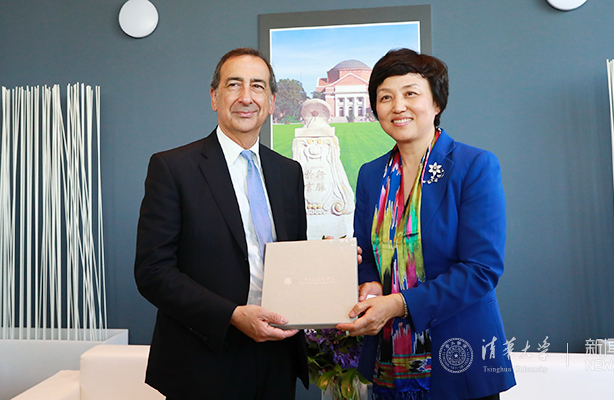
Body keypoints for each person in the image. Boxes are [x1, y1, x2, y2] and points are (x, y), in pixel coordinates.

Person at [337, 49, 516, 400]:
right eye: (385, 97)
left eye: (410, 93)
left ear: (436, 103)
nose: (398, 106)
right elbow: (366, 256)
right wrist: (369, 283)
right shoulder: (371, 175)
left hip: (460, 359)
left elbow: (482, 270)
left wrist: (398, 304)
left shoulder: (473, 165)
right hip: (389, 362)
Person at [134, 47, 308, 399]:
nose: (246, 97)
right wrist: (231, 314)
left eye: (257, 86)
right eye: (234, 84)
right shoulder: (173, 168)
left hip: (277, 358)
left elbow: (293, 257)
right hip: (203, 361)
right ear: (215, 97)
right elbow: (153, 272)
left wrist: (329, 262)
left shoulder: (288, 173)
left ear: (271, 102)